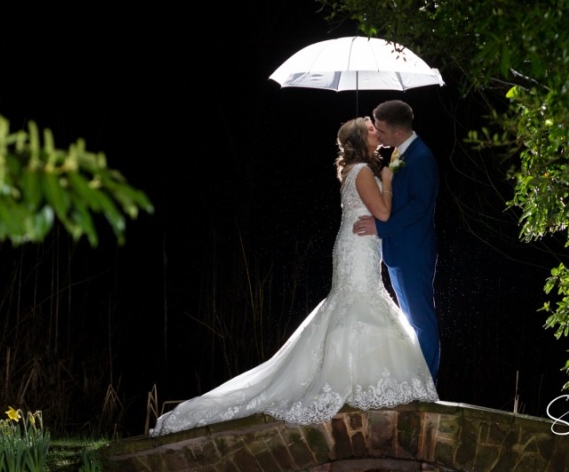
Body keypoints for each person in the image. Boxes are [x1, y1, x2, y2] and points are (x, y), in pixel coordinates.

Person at [149, 116, 438, 436]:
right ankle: (351, 381)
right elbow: (384, 212)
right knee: (360, 304)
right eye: (371, 127)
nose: (377, 129)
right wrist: (388, 175)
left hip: (360, 246)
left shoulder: (357, 171)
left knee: (359, 304)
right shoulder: (364, 172)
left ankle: (360, 380)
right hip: (357, 249)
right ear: (359, 138)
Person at [352, 100, 440, 382]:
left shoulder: (422, 158)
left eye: (381, 129)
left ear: (398, 132)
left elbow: (419, 208)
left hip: (412, 253)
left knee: (421, 323)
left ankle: (427, 382)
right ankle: (416, 381)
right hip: (399, 251)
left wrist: (380, 226)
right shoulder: (401, 153)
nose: (377, 133)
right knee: (411, 322)